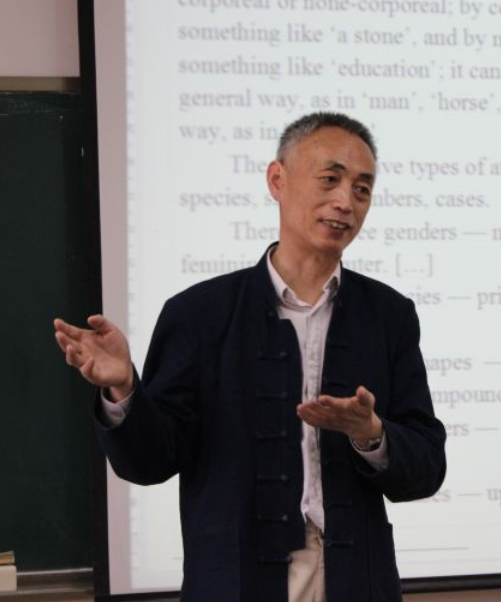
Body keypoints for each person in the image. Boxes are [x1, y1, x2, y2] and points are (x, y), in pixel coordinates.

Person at [54, 112, 447, 602]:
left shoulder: (389, 315)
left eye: (362, 189)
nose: (345, 202)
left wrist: (371, 433)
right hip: (235, 581)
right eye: (330, 180)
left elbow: (426, 467)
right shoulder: (198, 314)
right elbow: (150, 462)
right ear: (277, 180)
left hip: (357, 581)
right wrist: (124, 389)